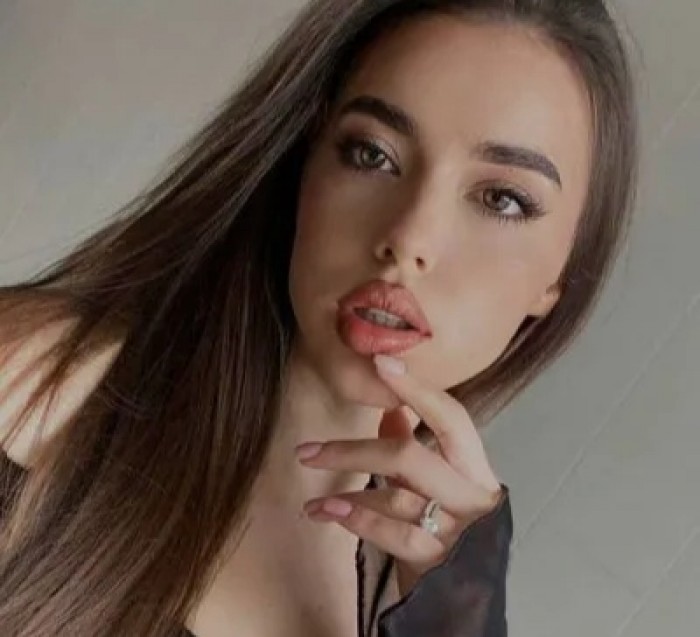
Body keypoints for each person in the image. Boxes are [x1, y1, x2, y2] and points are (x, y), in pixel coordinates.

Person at [0, 0, 638, 635]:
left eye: (502, 199)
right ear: (306, 165)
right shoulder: (41, 386)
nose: (409, 238)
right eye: (372, 154)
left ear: (559, 278)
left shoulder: (424, 603)